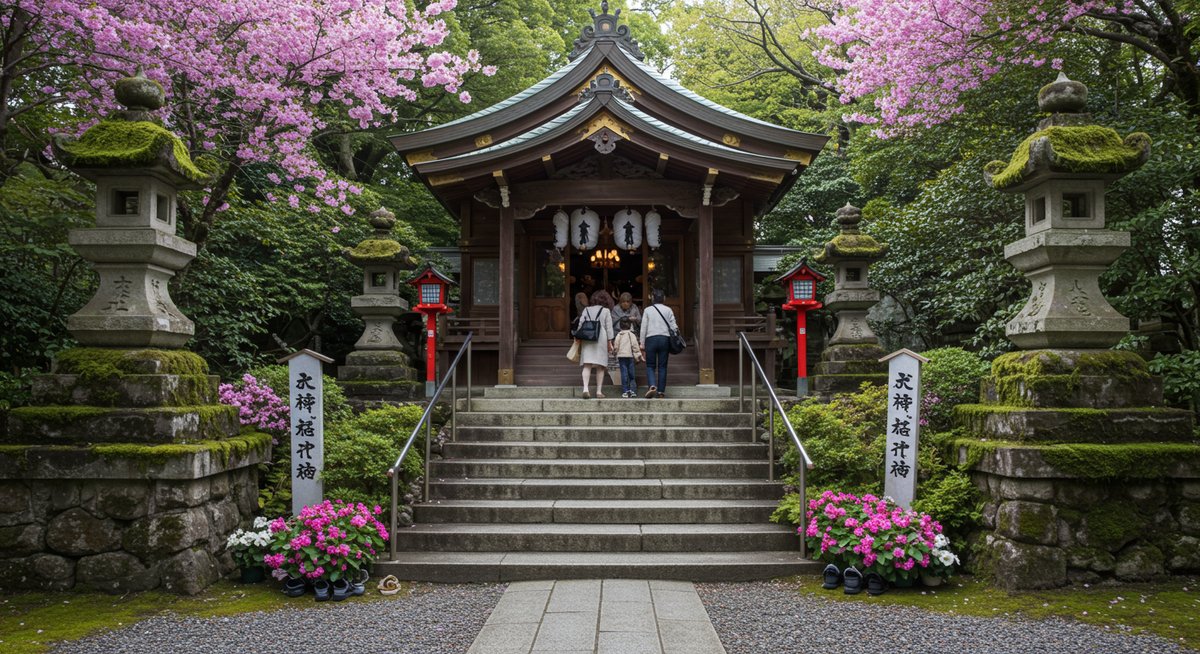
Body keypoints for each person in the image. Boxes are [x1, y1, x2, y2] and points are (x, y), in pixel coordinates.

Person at [639, 288, 678, 398]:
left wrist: (642, 343)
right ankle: (661, 392)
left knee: (650, 365)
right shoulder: (668, 310)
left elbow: (643, 328)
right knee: (662, 366)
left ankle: (652, 385)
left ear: (652, 298)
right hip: (664, 339)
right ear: (663, 298)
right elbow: (674, 327)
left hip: (650, 339)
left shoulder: (647, 310)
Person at [577, 289, 614, 398]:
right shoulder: (606, 311)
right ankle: (598, 392)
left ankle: (585, 389)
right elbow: (609, 328)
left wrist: (578, 337)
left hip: (587, 337)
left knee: (587, 365)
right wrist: (610, 341)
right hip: (601, 338)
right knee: (601, 366)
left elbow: (580, 323)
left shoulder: (586, 309)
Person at [613, 317, 642, 398]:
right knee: (632, 374)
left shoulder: (619, 335)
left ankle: (625, 391)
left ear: (620, 325)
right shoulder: (631, 335)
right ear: (630, 325)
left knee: (624, 373)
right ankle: (633, 391)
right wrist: (638, 355)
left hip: (621, 356)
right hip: (630, 356)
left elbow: (616, 346)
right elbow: (635, 346)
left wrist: (615, 352)